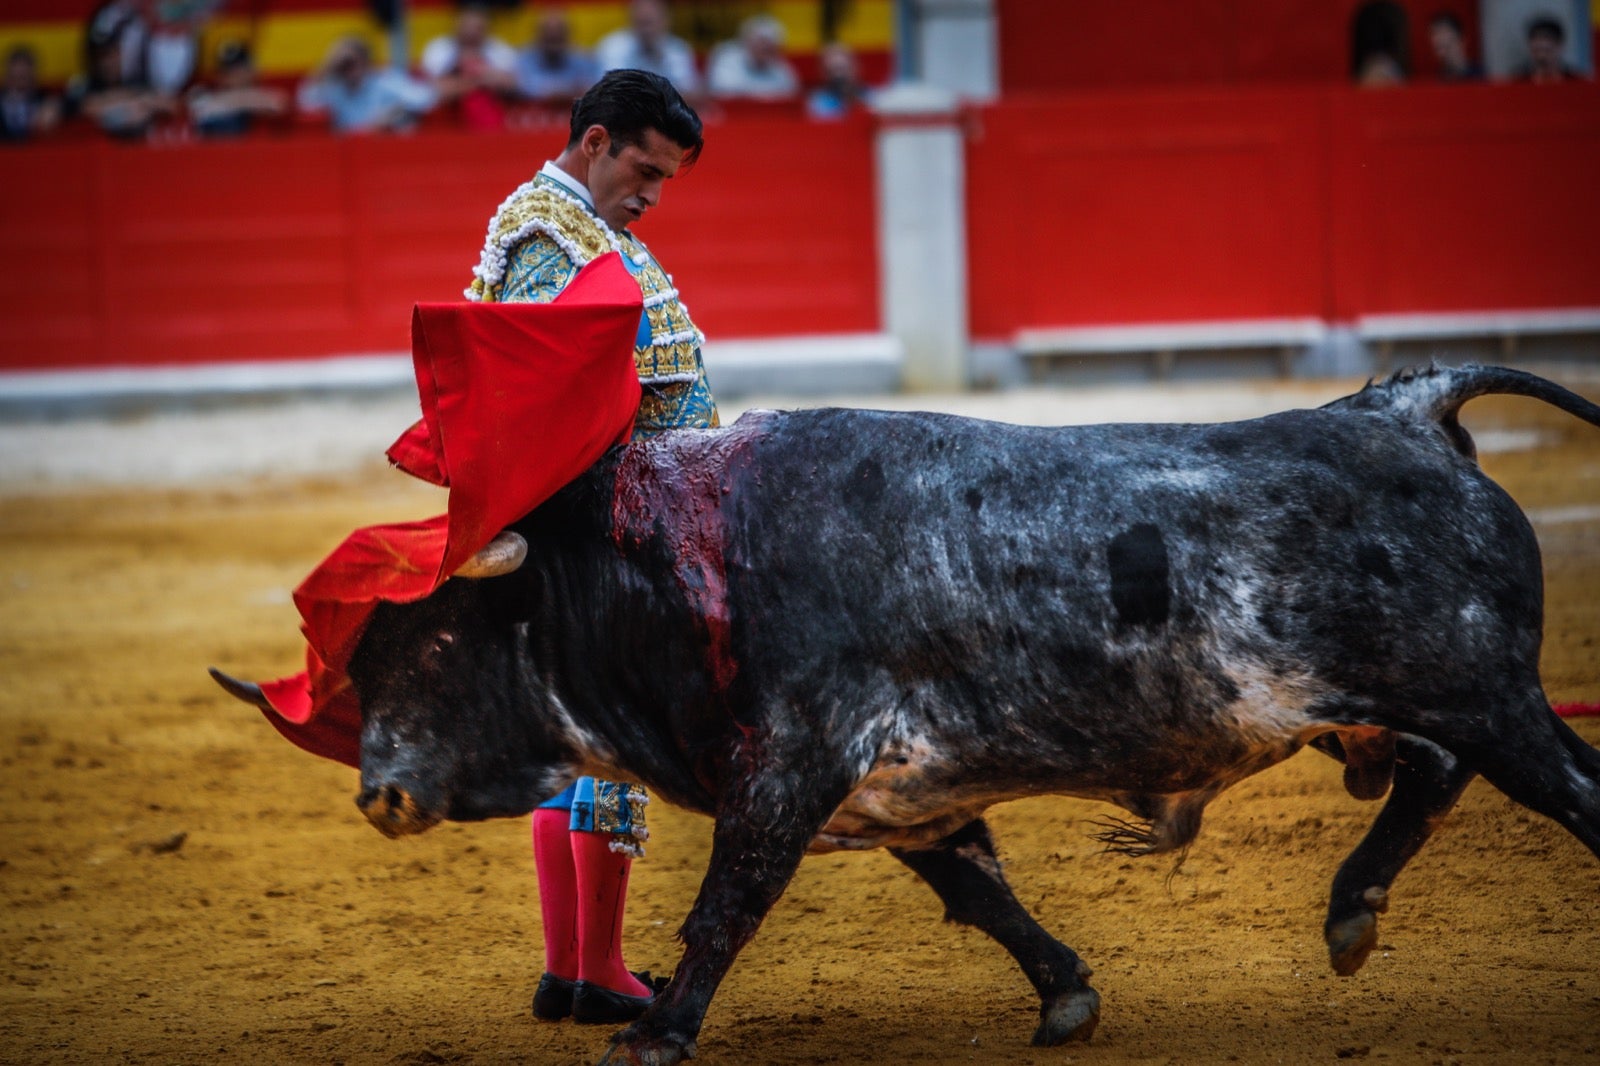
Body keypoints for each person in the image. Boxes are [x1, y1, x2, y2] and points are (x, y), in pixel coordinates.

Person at [463, 68, 715, 1024]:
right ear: (598, 142)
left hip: (613, 522)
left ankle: (576, 969)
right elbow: (528, 395)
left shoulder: (572, 229)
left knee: (581, 750)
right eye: (645, 169)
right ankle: (596, 966)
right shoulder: (546, 233)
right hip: (605, 533)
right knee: (615, 748)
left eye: (668, 180)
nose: (652, 194)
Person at [298, 36, 437, 133]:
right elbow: (306, 102)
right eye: (344, 65)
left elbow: (424, 97)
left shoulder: (384, 82)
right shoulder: (335, 89)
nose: (349, 69)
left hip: (382, 148)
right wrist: (328, 64)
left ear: (365, 61)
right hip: (348, 153)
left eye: (353, 62)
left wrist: (391, 113)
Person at [419, 2, 518, 129]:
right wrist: (478, 79)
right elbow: (438, 89)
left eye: (477, 28)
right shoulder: (439, 48)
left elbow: (512, 84)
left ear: (487, 27)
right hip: (445, 119)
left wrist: (475, 74)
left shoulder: (499, 49)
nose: (471, 33)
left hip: (492, 115)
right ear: (457, 25)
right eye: (467, 26)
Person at [594, 0, 701, 96]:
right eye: (642, 23)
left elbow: (689, 92)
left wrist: (659, 58)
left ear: (665, 20)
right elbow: (609, 91)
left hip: (667, 115)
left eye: (650, 23)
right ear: (631, 19)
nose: (647, 31)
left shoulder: (678, 49)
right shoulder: (612, 47)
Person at [187, 40, 288, 138]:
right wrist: (244, 100)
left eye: (239, 69)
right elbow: (199, 107)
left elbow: (278, 104)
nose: (233, 76)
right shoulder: (202, 91)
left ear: (251, 70)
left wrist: (240, 100)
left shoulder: (265, 92)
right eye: (227, 71)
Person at [515, 9, 600, 105]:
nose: (553, 34)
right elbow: (518, 86)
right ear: (537, 35)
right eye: (548, 35)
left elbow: (592, 89)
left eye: (558, 34)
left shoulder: (583, 60)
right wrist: (566, 91)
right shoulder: (523, 60)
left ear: (568, 35)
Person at [706, 14, 798, 100]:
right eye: (762, 41)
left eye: (772, 44)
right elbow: (725, 92)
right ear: (747, 40)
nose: (765, 47)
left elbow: (790, 94)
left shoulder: (782, 70)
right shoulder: (726, 60)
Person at [2, 45, 63, 143]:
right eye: (16, 77)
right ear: (7, 75)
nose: (20, 83)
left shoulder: (46, 99)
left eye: (24, 77)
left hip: (36, 152)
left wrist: (56, 109)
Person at [806, 41, 871, 119]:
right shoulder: (817, 103)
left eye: (843, 69)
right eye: (831, 71)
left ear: (856, 68)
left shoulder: (873, 97)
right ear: (822, 74)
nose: (838, 75)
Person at [1517, 16, 1582, 83]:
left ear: (1560, 46)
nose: (1542, 44)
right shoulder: (1516, 82)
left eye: (1547, 50)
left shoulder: (1578, 82)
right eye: (1538, 50)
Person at [1427, 11, 1484, 81]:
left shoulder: (1480, 75)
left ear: (1460, 37)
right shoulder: (1440, 77)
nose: (1436, 39)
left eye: (1442, 31)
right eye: (1433, 33)